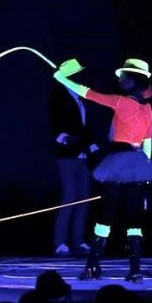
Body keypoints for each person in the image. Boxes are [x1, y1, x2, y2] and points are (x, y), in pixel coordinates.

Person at [52, 58, 152, 282]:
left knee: (106, 215)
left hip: (118, 163)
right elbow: (147, 145)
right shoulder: (148, 109)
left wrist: (61, 78)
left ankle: (93, 267)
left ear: (132, 80)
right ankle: (135, 270)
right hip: (137, 166)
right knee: (133, 218)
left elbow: (88, 93)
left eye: (123, 77)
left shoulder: (121, 102)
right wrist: (145, 172)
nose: (120, 80)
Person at [47, 75, 100, 256]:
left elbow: (84, 127)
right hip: (67, 153)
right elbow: (54, 123)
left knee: (84, 198)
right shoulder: (59, 96)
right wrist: (64, 138)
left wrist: (92, 145)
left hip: (82, 153)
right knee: (70, 196)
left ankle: (78, 241)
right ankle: (60, 242)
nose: (79, 78)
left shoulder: (80, 97)